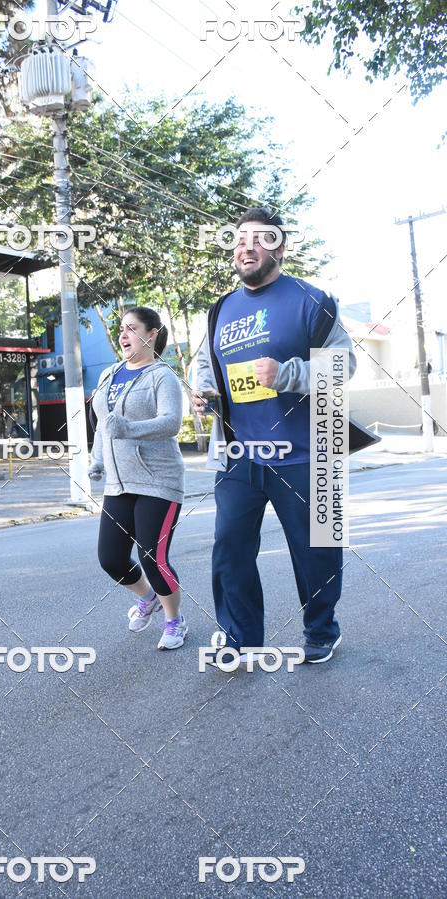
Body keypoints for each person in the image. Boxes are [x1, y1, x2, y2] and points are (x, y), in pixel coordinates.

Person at [193, 207, 356, 665]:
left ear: (279, 248)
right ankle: (240, 639)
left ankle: (321, 629)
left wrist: (286, 374)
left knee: (316, 550)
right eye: (239, 240)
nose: (245, 247)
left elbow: (344, 365)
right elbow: (206, 365)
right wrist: (205, 391)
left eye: (258, 239)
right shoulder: (220, 310)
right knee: (230, 548)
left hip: (308, 454)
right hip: (240, 454)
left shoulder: (312, 300)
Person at [89, 306, 188, 650]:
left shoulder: (162, 376)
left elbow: (171, 423)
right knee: (111, 559)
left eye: (132, 328)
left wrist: (129, 429)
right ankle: (147, 597)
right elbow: (103, 425)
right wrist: (97, 459)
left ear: (152, 334)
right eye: (122, 328)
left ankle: (174, 620)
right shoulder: (109, 375)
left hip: (158, 481)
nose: (123, 334)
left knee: (152, 558)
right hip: (118, 483)